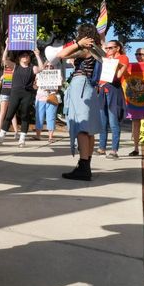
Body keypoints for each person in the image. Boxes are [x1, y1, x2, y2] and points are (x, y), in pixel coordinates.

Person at [53, 24, 102, 180]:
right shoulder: (98, 50)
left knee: (81, 126)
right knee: (89, 129)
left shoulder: (85, 49)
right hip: (90, 88)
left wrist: (78, 44)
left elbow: (60, 55)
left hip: (80, 85)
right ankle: (86, 165)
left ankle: (83, 166)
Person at [0, 49, 39, 147]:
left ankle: (22, 139)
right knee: (9, 114)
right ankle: (1, 137)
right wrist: (6, 47)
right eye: (23, 55)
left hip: (27, 94)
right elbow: (4, 59)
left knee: (25, 115)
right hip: (15, 93)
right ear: (19, 58)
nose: (25, 56)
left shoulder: (32, 68)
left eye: (27, 55)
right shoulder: (15, 66)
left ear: (29, 58)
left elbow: (41, 68)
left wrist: (37, 55)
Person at [96, 39, 129, 159]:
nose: (108, 50)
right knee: (102, 121)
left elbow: (119, 75)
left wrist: (113, 63)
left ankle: (114, 150)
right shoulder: (105, 57)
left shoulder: (123, 58)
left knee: (113, 121)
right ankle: (101, 148)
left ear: (117, 48)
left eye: (110, 48)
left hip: (113, 89)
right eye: (107, 48)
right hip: (102, 89)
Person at [0, 43, 19, 139]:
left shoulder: (15, 70)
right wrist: (1, 79)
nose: (7, 63)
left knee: (13, 114)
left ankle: (16, 132)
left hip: (13, 94)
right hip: (4, 94)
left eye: (8, 61)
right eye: (6, 62)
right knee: (2, 113)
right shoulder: (2, 72)